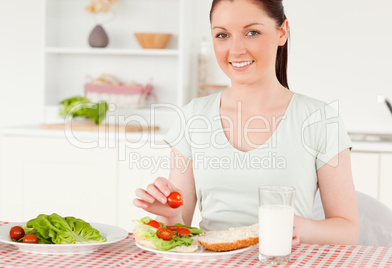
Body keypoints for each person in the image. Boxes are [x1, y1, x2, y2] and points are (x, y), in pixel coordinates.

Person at [134, 0, 360, 246]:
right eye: (222, 35)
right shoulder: (192, 118)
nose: (236, 49)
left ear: (282, 32)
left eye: (252, 32)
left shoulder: (319, 119)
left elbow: (347, 230)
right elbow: (177, 232)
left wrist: (300, 228)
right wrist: (170, 214)